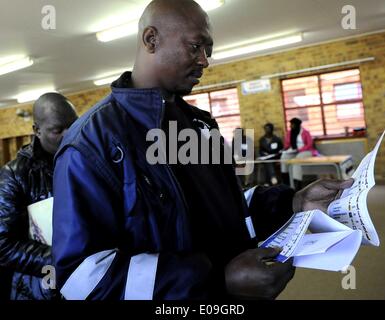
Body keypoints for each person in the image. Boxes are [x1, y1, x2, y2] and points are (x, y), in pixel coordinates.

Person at [52, 0, 353, 300]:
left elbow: (229, 205)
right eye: (196, 46)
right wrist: (215, 282)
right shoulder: (91, 142)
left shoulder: (199, 123)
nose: (205, 61)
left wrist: (292, 203)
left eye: (208, 50)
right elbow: (81, 277)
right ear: (151, 39)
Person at [0, 93, 78, 300]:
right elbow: (3, 244)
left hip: (91, 282)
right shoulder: (15, 174)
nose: (69, 134)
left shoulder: (89, 161)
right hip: (39, 290)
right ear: (37, 131)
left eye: (74, 125)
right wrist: (64, 261)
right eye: (57, 130)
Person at [281, 117, 317, 190]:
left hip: (306, 151)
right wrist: (286, 148)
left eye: (292, 124)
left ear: (297, 125)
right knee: (284, 157)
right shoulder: (289, 133)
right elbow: (287, 144)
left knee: (297, 160)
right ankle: (286, 182)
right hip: (293, 151)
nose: (290, 126)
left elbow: (309, 144)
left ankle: (297, 185)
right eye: (290, 124)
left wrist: (300, 149)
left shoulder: (305, 132)